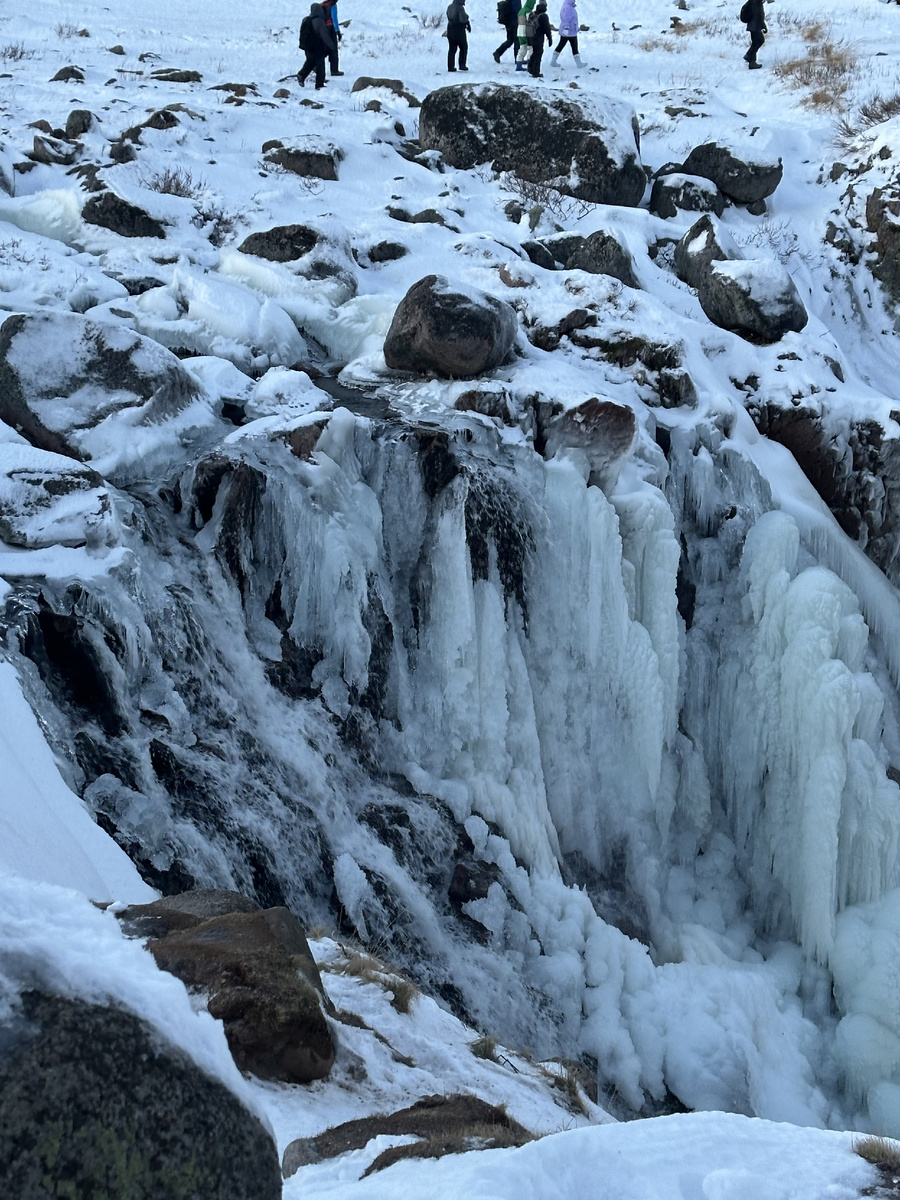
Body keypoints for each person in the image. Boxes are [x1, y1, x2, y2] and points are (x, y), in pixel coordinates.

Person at [298, 1, 336, 89]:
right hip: (317, 47)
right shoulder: (319, 21)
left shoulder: (306, 19)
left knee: (310, 62)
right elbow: (324, 35)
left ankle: (301, 75)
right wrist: (331, 46)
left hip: (308, 46)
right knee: (320, 66)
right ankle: (319, 84)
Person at [550, 0, 584, 67]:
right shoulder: (568, 7)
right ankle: (578, 63)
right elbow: (565, 18)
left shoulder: (569, 6)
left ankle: (553, 61)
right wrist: (566, 28)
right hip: (569, 31)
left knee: (563, 45)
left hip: (571, 31)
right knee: (573, 46)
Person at [528, 0, 552, 76]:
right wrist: (550, 38)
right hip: (538, 38)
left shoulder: (532, 14)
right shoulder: (544, 16)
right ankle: (535, 72)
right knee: (538, 53)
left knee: (535, 52)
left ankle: (530, 67)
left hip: (531, 36)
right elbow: (547, 29)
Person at [446, 0, 471, 71]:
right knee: (463, 47)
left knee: (452, 49)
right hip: (459, 30)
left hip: (450, 29)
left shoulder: (449, 7)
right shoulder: (460, 8)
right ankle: (462, 65)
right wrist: (467, 21)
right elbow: (463, 19)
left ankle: (450, 67)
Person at [321, 0, 344, 76]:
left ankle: (314, 64)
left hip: (323, 29)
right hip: (331, 29)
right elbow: (334, 19)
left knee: (325, 48)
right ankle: (334, 70)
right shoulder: (333, 6)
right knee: (334, 50)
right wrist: (337, 31)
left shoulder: (324, 5)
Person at [741, 0, 766, 69]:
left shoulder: (754, 1)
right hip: (755, 26)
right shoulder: (757, 2)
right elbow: (759, 15)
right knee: (759, 41)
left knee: (756, 42)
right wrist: (763, 26)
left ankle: (749, 56)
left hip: (752, 25)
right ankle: (751, 61)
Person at [515, 0, 535, 71]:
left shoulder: (521, 10)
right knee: (530, 48)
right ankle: (529, 65)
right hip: (526, 32)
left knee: (522, 48)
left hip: (519, 32)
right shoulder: (528, 11)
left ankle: (518, 65)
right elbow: (530, 22)